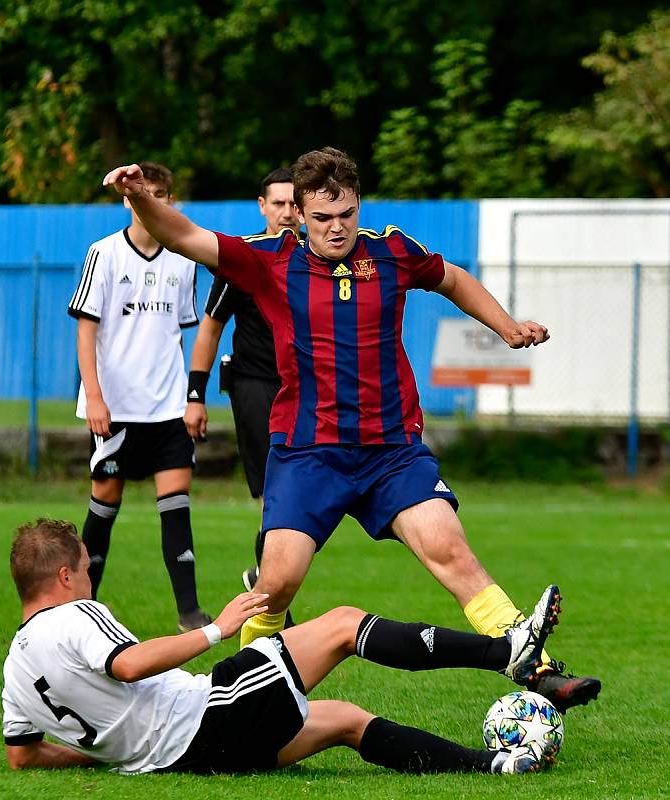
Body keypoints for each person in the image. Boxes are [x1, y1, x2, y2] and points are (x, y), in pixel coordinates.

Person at [101, 148, 601, 712]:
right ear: (301, 214)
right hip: (308, 452)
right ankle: (241, 699)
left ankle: (533, 664)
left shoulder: (391, 251)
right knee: (277, 583)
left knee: (448, 546)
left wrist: (506, 327)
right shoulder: (269, 260)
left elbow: (453, 279)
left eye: (346, 214)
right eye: (323, 218)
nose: (337, 228)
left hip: (392, 451)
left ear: (358, 205)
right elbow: (184, 236)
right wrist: (140, 196)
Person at [3, 519, 561, 776]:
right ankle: (505, 651)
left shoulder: (14, 671)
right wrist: (216, 629)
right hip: (208, 717)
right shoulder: (74, 617)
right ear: (64, 576)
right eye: (85, 568)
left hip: (188, 759)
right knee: (343, 624)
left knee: (345, 720)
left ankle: (499, 766)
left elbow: (22, 755)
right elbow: (127, 665)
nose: (90, 576)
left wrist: (107, 755)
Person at [67, 161, 211, 633]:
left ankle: (189, 614)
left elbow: (179, 335)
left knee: (177, 503)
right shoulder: (104, 254)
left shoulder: (185, 259)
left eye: (162, 193)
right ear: (129, 200)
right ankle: (83, 610)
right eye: (144, 192)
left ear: (170, 200)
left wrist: (193, 398)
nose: (152, 200)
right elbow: (86, 331)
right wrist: (94, 397)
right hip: (116, 408)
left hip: (168, 407)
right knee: (105, 503)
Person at [183, 168, 298, 586]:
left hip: (305, 391)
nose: (287, 213)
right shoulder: (245, 260)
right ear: (263, 206)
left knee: (306, 496)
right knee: (278, 493)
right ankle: (270, 595)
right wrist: (195, 394)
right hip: (256, 386)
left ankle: (263, 577)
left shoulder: (316, 259)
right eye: (279, 204)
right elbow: (210, 328)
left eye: (294, 204)